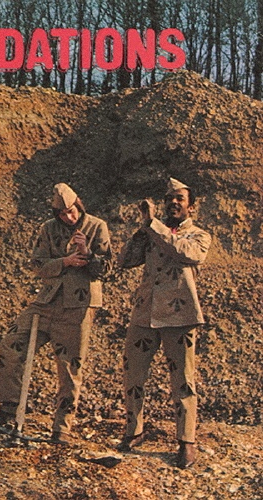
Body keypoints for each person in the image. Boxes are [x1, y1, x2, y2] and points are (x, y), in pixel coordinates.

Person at [0, 183, 112, 444]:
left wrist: (87, 253)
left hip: (78, 306)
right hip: (47, 302)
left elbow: (107, 270)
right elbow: (37, 264)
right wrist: (64, 262)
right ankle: (9, 409)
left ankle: (62, 427)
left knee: (70, 366)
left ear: (79, 205)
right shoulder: (48, 229)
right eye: (63, 214)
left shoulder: (97, 226)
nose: (69, 217)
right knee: (11, 344)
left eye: (72, 211)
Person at [116, 177, 211, 468]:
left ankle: (186, 440)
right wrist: (142, 230)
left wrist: (153, 225)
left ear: (191, 207)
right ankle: (134, 430)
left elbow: (183, 252)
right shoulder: (153, 231)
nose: (173, 203)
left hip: (180, 317)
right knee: (133, 373)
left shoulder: (199, 236)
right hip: (145, 313)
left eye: (180, 199)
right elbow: (125, 260)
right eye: (169, 198)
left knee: (183, 380)